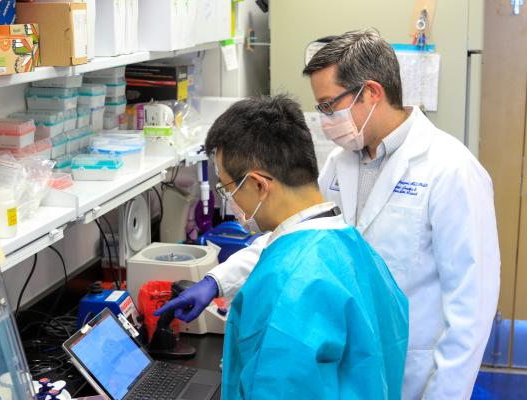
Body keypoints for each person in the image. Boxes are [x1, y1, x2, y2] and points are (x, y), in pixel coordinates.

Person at [157, 29, 500, 399]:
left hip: (412, 370)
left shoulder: (451, 170)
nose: (323, 118)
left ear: (370, 93)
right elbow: (301, 233)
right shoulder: (342, 162)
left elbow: (472, 309)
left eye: (327, 105)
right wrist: (217, 281)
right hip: (351, 361)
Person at [192, 94, 409, 399]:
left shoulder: (285, 286)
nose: (231, 203)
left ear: (258, 185)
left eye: (228, 189)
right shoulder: (357, 251)